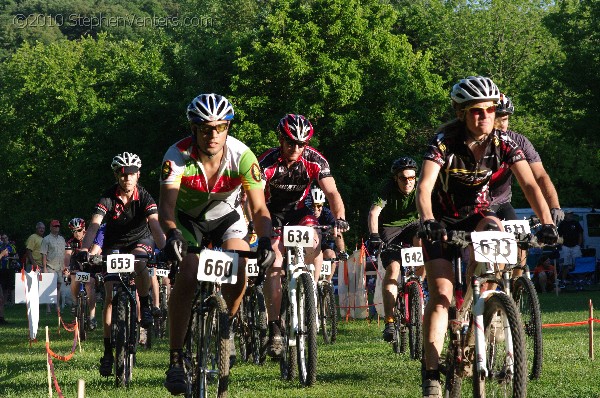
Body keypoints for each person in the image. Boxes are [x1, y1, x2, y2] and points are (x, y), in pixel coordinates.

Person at [416, 76, 558, 398]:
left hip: (480, 215)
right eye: (475, 111)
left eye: (489, 110)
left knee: (496, 230)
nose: (484, 117)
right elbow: (424, 187)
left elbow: (531, 185)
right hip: (441, 220)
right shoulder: (443, 141)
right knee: (440, 295)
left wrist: (547, 221)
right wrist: (428, 220)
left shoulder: (505, 144)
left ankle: (481, 306)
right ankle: (432, 375)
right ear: (461, 113)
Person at [158, 93, 275, 395]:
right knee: (188, 272)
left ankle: (227, 325)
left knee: (239, 267)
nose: (213, 135)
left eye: (220, 127)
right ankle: (175, 359)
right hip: (187, 220)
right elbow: (167, 210)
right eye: (206, 128)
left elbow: (260, 209)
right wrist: (172, 235)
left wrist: (265, 240)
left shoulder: (243, 156)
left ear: (228, 128)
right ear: (194, 128)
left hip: (227, 218)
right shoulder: (177, 155)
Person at [258, 113, 349, 359]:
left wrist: (339, 218)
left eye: (301, 144)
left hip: (300, 213)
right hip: (270, 213)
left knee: (315, 241)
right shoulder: (266, 161)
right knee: (275, 263)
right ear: (281, 139)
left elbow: (332, 192)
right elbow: (253, 198)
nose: (296, 148)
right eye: (291, 143)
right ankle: (275, 326)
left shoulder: (314, 160)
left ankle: (306, 286)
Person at [77, 151, 166, 377]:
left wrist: (165, 247)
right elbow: (95, 225)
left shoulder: (145, 196)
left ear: (138, 175)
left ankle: (144, 305)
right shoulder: (107, 197)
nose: (127, 178)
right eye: (123, 174)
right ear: (117, 175)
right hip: (114, 243)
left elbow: (155, 224)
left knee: (140, 263)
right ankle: (107, 352)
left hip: (140, 239)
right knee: (108, 295)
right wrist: (84, 250)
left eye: (132, 174)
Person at [367, 157, 422, 342]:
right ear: (395, 179)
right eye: (403, 178)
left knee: (423, 240)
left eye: (412, 178)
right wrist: (374, 236)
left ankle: (418, 283)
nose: (408, 182)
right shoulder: (386, 188)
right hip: (389, 229)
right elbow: (374, 212)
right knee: (393, 271)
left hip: (412, 226)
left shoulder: (421, 187)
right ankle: (390, 321)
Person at [491, 93, 564, 224]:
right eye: (497, 119)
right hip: (473, 205)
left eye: (505, 119)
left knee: (518, 243)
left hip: (501, 203)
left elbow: (540, 176)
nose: (502, 125)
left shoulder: (519, 142)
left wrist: (554, 206)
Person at [306, 186, 348, 283]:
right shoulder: (304, 212)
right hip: (305, 245)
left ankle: (327, 284)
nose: (316, 209)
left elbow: (337, 232)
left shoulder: (327, 213)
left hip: (321, 244)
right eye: (313, 206)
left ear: (322, 205)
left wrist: (341, 252)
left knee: (331, 255)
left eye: (319, 206)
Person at [64, 218, 97, 330]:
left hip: (91, 264)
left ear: (84, 229)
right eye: (74, 231)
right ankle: (75, 302)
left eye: (79, 230)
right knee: (74, 278)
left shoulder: (91, 238)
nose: (77, 233)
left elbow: (99, 249)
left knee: (90, 285)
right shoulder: (70, 241)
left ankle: (92, 316)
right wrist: (66, 268)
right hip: (76, 264)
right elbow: (67, 255)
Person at [41, 220, 66, 314]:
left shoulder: (62, 239)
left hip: (60, 266)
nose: (56, 228)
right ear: (51, 227)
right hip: (50, 266)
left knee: (59, 286)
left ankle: (57, 306)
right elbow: (44, 254)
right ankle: (48, 308)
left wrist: (64, 266)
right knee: (49, 287)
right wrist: (44, 268)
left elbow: (64, 253)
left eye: (58, 226)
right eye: (55, 226)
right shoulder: (46, 239)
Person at [558, 212, 584, 280]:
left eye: (571, 214)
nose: (571, 215)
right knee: (565, 264)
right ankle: (563, 280)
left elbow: (580, 234)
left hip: (575, 246)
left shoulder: (576, 223)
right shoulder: (562, 224)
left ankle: (580, 280)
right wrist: (561, 245)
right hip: (565, 246)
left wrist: (579, 244)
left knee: (578, 263)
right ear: (566, 215)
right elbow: (559, 235)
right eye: (569, 214)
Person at [0, 233, 17, 325]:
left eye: (4, 238)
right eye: (2, 238)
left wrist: (9, 257)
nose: (3, 239)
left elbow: (16, 256)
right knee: (1, 297)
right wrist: (2, 254)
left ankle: (1, 318)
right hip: (1, 270)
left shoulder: (11, 246)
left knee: (3, 297)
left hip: (8, 270)